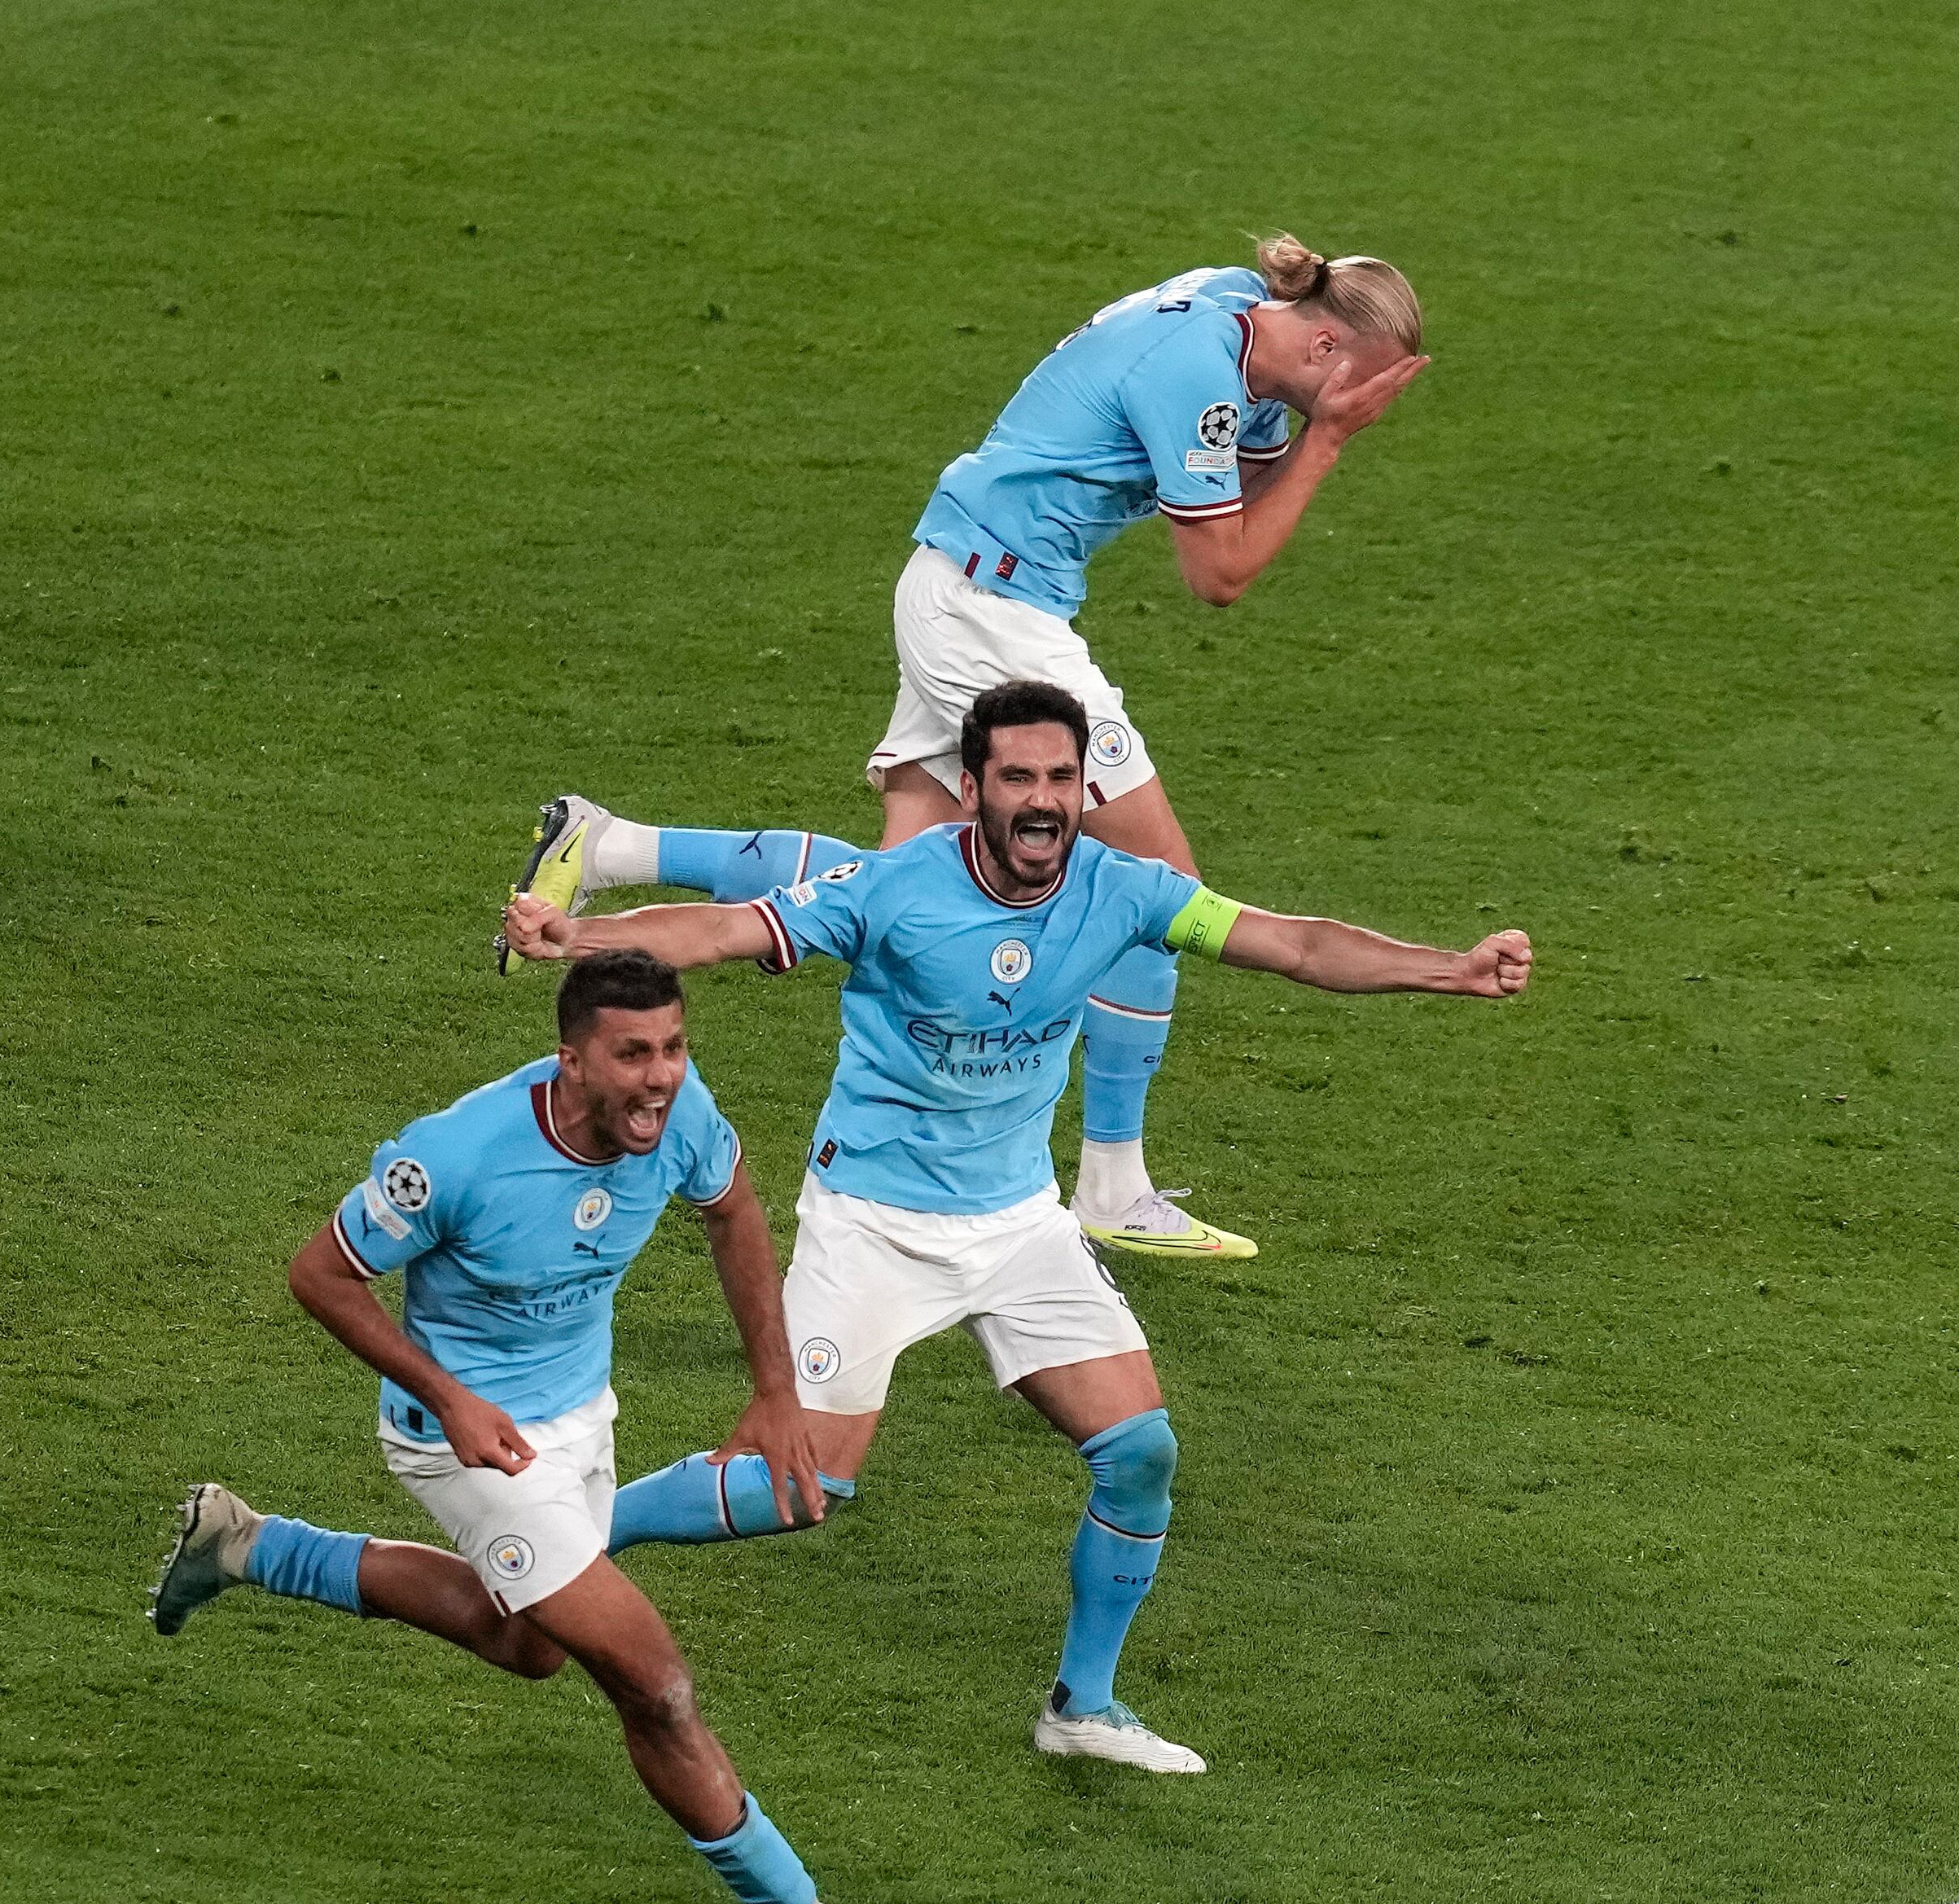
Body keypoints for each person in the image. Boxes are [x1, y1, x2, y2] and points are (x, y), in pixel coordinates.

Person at [503, 680, 1531, 1774]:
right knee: (796, 1489)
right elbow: (723, 928)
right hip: (875, 1228)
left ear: (1086, 787)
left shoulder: (1125, 889)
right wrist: (587, 938)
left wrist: (1448, 969)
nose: (1042, 801)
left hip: (1017, 1227)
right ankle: (563, 1536)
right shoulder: (896, 891)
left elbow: (1294, 945)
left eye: (1059, 779)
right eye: (1017, 780)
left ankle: (1081, 1708)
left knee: (1139, 1453)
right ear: (974, 791)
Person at [500, 235, 1431, 1261]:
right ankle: (1111, 1185)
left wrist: (1305, 421)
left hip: (967, 587)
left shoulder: (1243, 309)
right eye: (1372, 386)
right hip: (993, 613)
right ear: (1331, 346)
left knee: (898, 886)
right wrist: (1327, 442)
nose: (1375, 408)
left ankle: (610, 847)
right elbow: (1221, 572)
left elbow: (1242, 471)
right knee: (1156, 888)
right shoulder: (1194, 375)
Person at [150, 952, 908, 1904]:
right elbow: (318, 1275)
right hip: (465, 1444)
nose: (659, 1076)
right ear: (570, 1060)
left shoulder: (679, 1117)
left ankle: (245, 1545)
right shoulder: (455, 1156)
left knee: (527, 1647)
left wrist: (776, 1396)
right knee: (655, 1686)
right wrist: (448, 1396)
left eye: (674, 1048)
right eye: (631, 1053)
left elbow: (731, 1209)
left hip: (579, 1424)